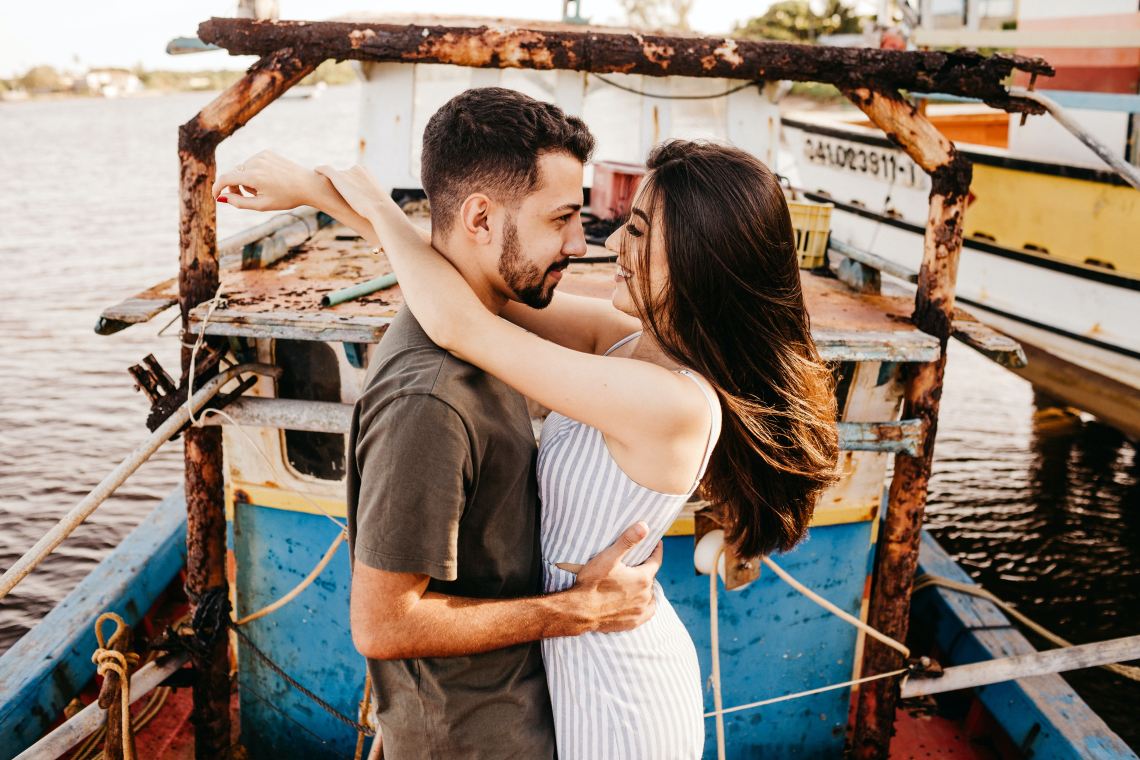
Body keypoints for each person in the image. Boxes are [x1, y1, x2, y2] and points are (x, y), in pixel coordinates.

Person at [221, 91, 840, 759]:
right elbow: (463, 283)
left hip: (620, 686)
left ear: (697, 259)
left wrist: (370, 200)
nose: (602, 244)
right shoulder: (628, 338)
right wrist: (321, 191)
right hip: (572, 658)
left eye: (636, 232)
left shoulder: (675, 403)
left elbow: (464, 327)